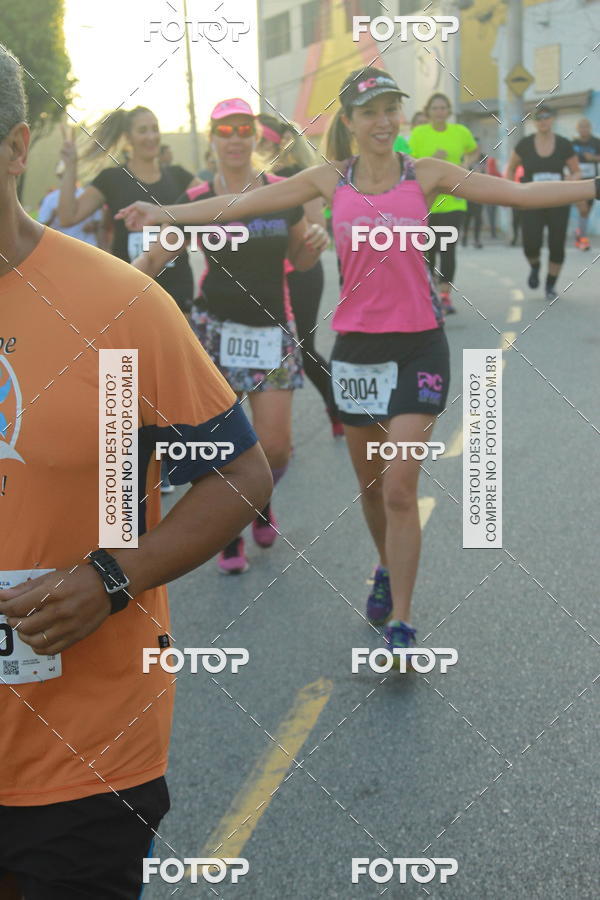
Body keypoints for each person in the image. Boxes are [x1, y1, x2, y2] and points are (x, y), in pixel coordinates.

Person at [116, 65, 599, 661]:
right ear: (350, 121)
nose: (383, 121)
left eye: (391, 110)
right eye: (369, 111)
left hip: (420, 345)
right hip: (356, 353)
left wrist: (592, 186)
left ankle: (402, 620)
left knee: (400, 488)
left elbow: (522, 194)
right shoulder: (328, 180)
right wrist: (162, 216)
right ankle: (385, 565)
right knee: (372, 490)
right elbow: (242, 201)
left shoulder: (426, 175)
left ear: (400, 117)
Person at [0, 43, 272, 900]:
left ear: (15, 144)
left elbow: (240, 475)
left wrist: (113, 576)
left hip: (81, 750)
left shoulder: (114, 305)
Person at [129, 98, 328, 575]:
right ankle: (229, 532)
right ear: (213, 138)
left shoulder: (283, 192)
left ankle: (258, 501)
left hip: (271, 330)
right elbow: (155, 260)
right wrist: (108, 290)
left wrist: (312, 249)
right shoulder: (197, 197)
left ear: (256, 137)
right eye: (225, 130)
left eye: (244, 129)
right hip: (214, 332)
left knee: (276, 447)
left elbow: (300, 259)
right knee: (220, 447)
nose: (235, 138)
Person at [58, 106, 202, 492]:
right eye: (143, 130)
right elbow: (68, 214)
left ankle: (169, 459)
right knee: (125, 379)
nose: (152, 136)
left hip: (177, 291)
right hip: (128, 292)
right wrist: (70, 163)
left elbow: (217, 214)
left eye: (155, 129)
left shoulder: (181, 179)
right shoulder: (111, 179)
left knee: (168, 377)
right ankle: (125, 472)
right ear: (129, 137)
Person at [257, 113, 344, 437]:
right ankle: (273, 432)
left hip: (300, 272)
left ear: (276, 142)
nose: (255, 144)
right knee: (270, 351)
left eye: (260, 139)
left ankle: (339, 409)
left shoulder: (297, 176)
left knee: (302, 350)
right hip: (265, 275)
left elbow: (316, 227)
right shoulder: (257, 178)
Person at [409, 92, 479, 313]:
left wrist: (465, 165)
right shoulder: (419, 133)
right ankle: (429, 295)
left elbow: (473, 150)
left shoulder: (460, 132)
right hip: (426, 202)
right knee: (428, 249)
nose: (439, 112)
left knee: (447, 249)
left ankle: (445, 295)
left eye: (443, 108)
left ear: (448, 111)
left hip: (453, 201)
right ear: (428, 111)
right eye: (435, 108)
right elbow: (409, 162)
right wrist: (432, 161)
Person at [507, 105, 580, 301]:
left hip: (558, 201)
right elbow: (511, 168)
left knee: (557, 245)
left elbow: (576, 171)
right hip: (531, 202)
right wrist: (512, 191)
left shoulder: (564, 144)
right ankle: (535, 266)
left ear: (552, 119)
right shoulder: (525, 144)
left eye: (547, 117)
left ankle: (550, 284)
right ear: (534, 122)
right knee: (531, 243)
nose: (543, 121)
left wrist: (572, 182)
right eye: (539, 118)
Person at [38, 162, 104, 246]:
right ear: (59, 175)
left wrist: (93, 226)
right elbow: (41, 226)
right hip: (62, 247)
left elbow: (100, 224)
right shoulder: (51, 198)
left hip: (87, 247)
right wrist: (53, 216)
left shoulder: (87, 195)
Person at [571, 117, 600, 250]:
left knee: (586, 211)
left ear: (590, 128)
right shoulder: (573, 143)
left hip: (592, 182)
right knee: (582, 209)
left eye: (586, 127)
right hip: (577, 181)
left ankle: (579, 233)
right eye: (581, 127)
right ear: (577, 129)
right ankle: (583, 239)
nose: (584, 129)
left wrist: (593, 158)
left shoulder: (596, 142)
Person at [462, 146, 486, 248]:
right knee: (467, 218)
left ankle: (477, 239)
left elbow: (485, 172)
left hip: (479, 193)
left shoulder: (483, 157)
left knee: (478, 218)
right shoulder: (465, 159)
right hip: (467, 194)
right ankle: (465, 237)